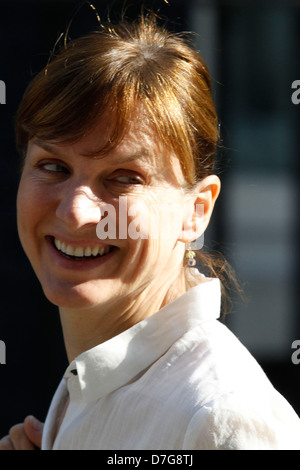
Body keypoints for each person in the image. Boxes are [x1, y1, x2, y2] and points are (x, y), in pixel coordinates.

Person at [1, 13, 300, 451]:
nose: (76, 211)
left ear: (196, 212)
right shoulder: (98, 377)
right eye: (53, 166)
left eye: (123, 177)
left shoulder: (220, 418)